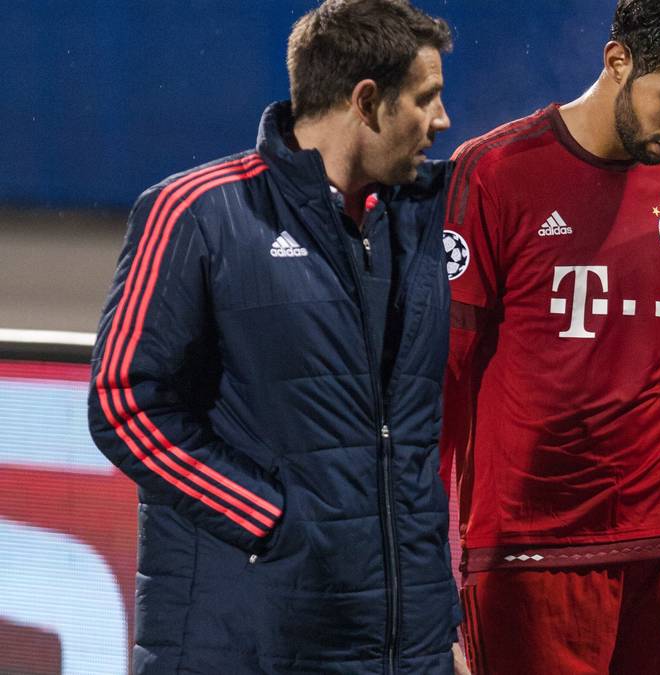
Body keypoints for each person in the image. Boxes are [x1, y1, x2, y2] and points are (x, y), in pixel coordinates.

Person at [87, 1, 468, 672]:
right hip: (243, 643)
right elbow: (124, 401)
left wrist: (434, 638)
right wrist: (266, 518)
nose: (443, 121)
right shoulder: (196, 211)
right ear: (367, 101)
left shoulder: (427, 217)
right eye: (426, 98)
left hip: (400, 650)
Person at [438, 1, 660, 672]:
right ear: (618, 61)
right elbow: (442, 377)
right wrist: (423, 563)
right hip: (528, 553)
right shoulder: (493, 172)